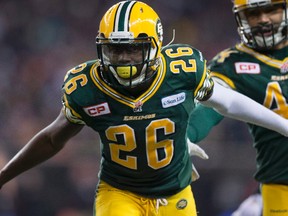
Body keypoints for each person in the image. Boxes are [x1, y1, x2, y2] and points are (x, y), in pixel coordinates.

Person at [0, 1, 288, 215]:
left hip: (175, 192)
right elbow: (52, 138)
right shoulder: (86, 87)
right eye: (115, 49)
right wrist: (4, 177)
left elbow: (227, 102)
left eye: (133, 49)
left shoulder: (181, 70)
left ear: (155, 46)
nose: (124, 59)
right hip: (120, 192)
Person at [187, 0, 288, 215]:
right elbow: (211, 106)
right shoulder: (232, 63)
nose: (263, 19)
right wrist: (184, 136)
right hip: (281, 180)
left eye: (270, 10)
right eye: (253, 13)